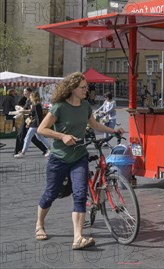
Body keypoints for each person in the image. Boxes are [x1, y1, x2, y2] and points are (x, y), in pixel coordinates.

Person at [36, 72, 125, 249]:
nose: (87, 90)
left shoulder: (85, 106)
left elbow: (94, 124)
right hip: (59, 158)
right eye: (83, 87)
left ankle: (78, 237)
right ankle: (39, 224)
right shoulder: (59, 107)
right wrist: (62, 136)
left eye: (86, 87)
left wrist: (113, 131)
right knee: (51, 193)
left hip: (79, 156)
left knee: (79, 193)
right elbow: (41, 129)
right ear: (72, 88)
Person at [14, 91, 51, 158]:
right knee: (40, 137)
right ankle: (51, 149)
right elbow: (33, 115)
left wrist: (38, 125)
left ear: (33, 97)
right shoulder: (35, 105)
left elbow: (38, 116)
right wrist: (29, 123)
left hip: (35, 125)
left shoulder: (37, 105)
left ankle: (23, 153)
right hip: (35, 124)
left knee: (27, 138)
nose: (30, 98)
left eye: (31, 96)